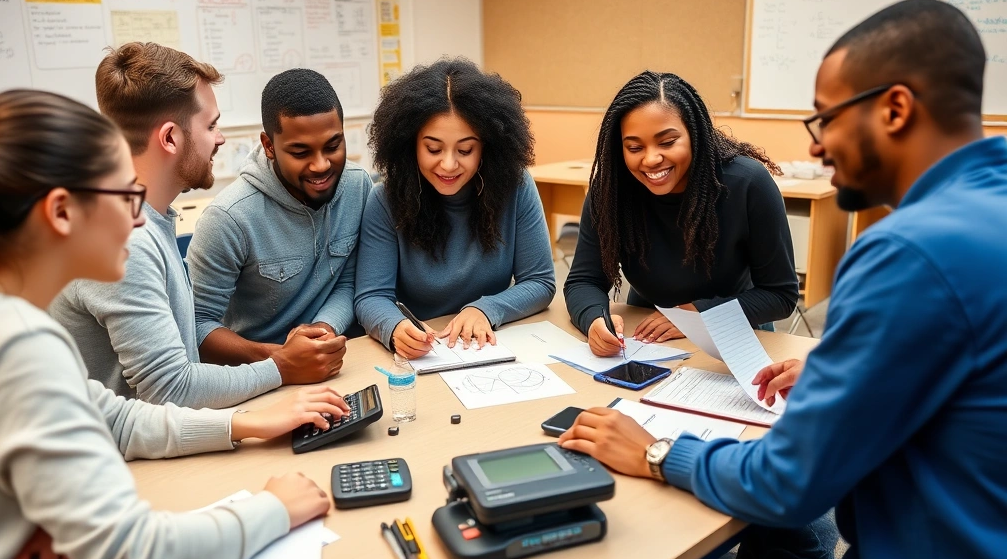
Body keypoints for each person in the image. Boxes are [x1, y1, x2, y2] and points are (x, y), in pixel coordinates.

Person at [559, 0, 1007, 559]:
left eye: (826, 119)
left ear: (895, 108)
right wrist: (839, 370)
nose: (816, 148)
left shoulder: (907, 255)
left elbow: (789, 482)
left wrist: (655, 452)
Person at [0, 89, 344, 559]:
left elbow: (116, 419)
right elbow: (136, 551)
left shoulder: (10, 321)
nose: (139, 217)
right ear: (62, 211)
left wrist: (245, 423)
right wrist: (274, 508)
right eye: (127, 194)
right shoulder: (17, 344)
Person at [49, 43, 337, 409]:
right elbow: (170, 390)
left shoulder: (141, 217)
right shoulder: (123, 241)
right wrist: (280, 366)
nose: (220, 138)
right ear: (170, 138)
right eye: (211, 125)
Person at [563, 71, 798, 357]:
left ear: (695, 135)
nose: (650, 159)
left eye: (667, 142)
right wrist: (594, 319)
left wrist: (698, 315)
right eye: (634, 147)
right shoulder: (611, 191)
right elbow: (583, 280)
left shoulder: (748, 183)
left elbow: (780, 295)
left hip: (732, 329)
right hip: (647, 335)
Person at [354, 58, 556, 359]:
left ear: (487, 147)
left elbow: (540, 281)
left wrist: (486, 309)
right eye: (433, 149)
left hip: (488, 347)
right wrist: (395, 327)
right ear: (410, 144)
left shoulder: (516, 186)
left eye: (465, 150)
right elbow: (371, 296)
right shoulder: (385, 200)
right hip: (425, 353)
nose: (448, 164)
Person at [188, 68, 372, 372]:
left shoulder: (357, 186)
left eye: (333, 145)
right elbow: (195, 326)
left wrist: (323, 329)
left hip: (335, 362)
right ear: (269, 145)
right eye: (300, 152)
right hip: (257, 374)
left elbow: (350, 279)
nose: (321, 165)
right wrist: (280, 358)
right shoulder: (229, 218)